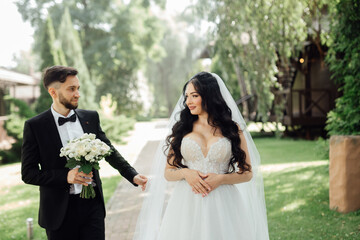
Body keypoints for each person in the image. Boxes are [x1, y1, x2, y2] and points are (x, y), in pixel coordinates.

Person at [134, 72, 269, 240]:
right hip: (188, 202)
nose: (188, 102)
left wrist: (220, 179)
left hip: (224, 202)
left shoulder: (233, 129)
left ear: (209, 95)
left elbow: (248, 174)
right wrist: (185, 173)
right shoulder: (182, 128)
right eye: (186, 97)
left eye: (194, 96)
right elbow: (168, 172)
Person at [21, 65, 148, 240]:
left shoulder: (90, 117)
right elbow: (29, 173)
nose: (77, 94)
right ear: (53, 92)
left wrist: (132, 175)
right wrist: (65, 176)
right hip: (58, 213)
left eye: (78, 88)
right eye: (71, 89)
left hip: (92, 207)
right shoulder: (35, 126)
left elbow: (108, 151)